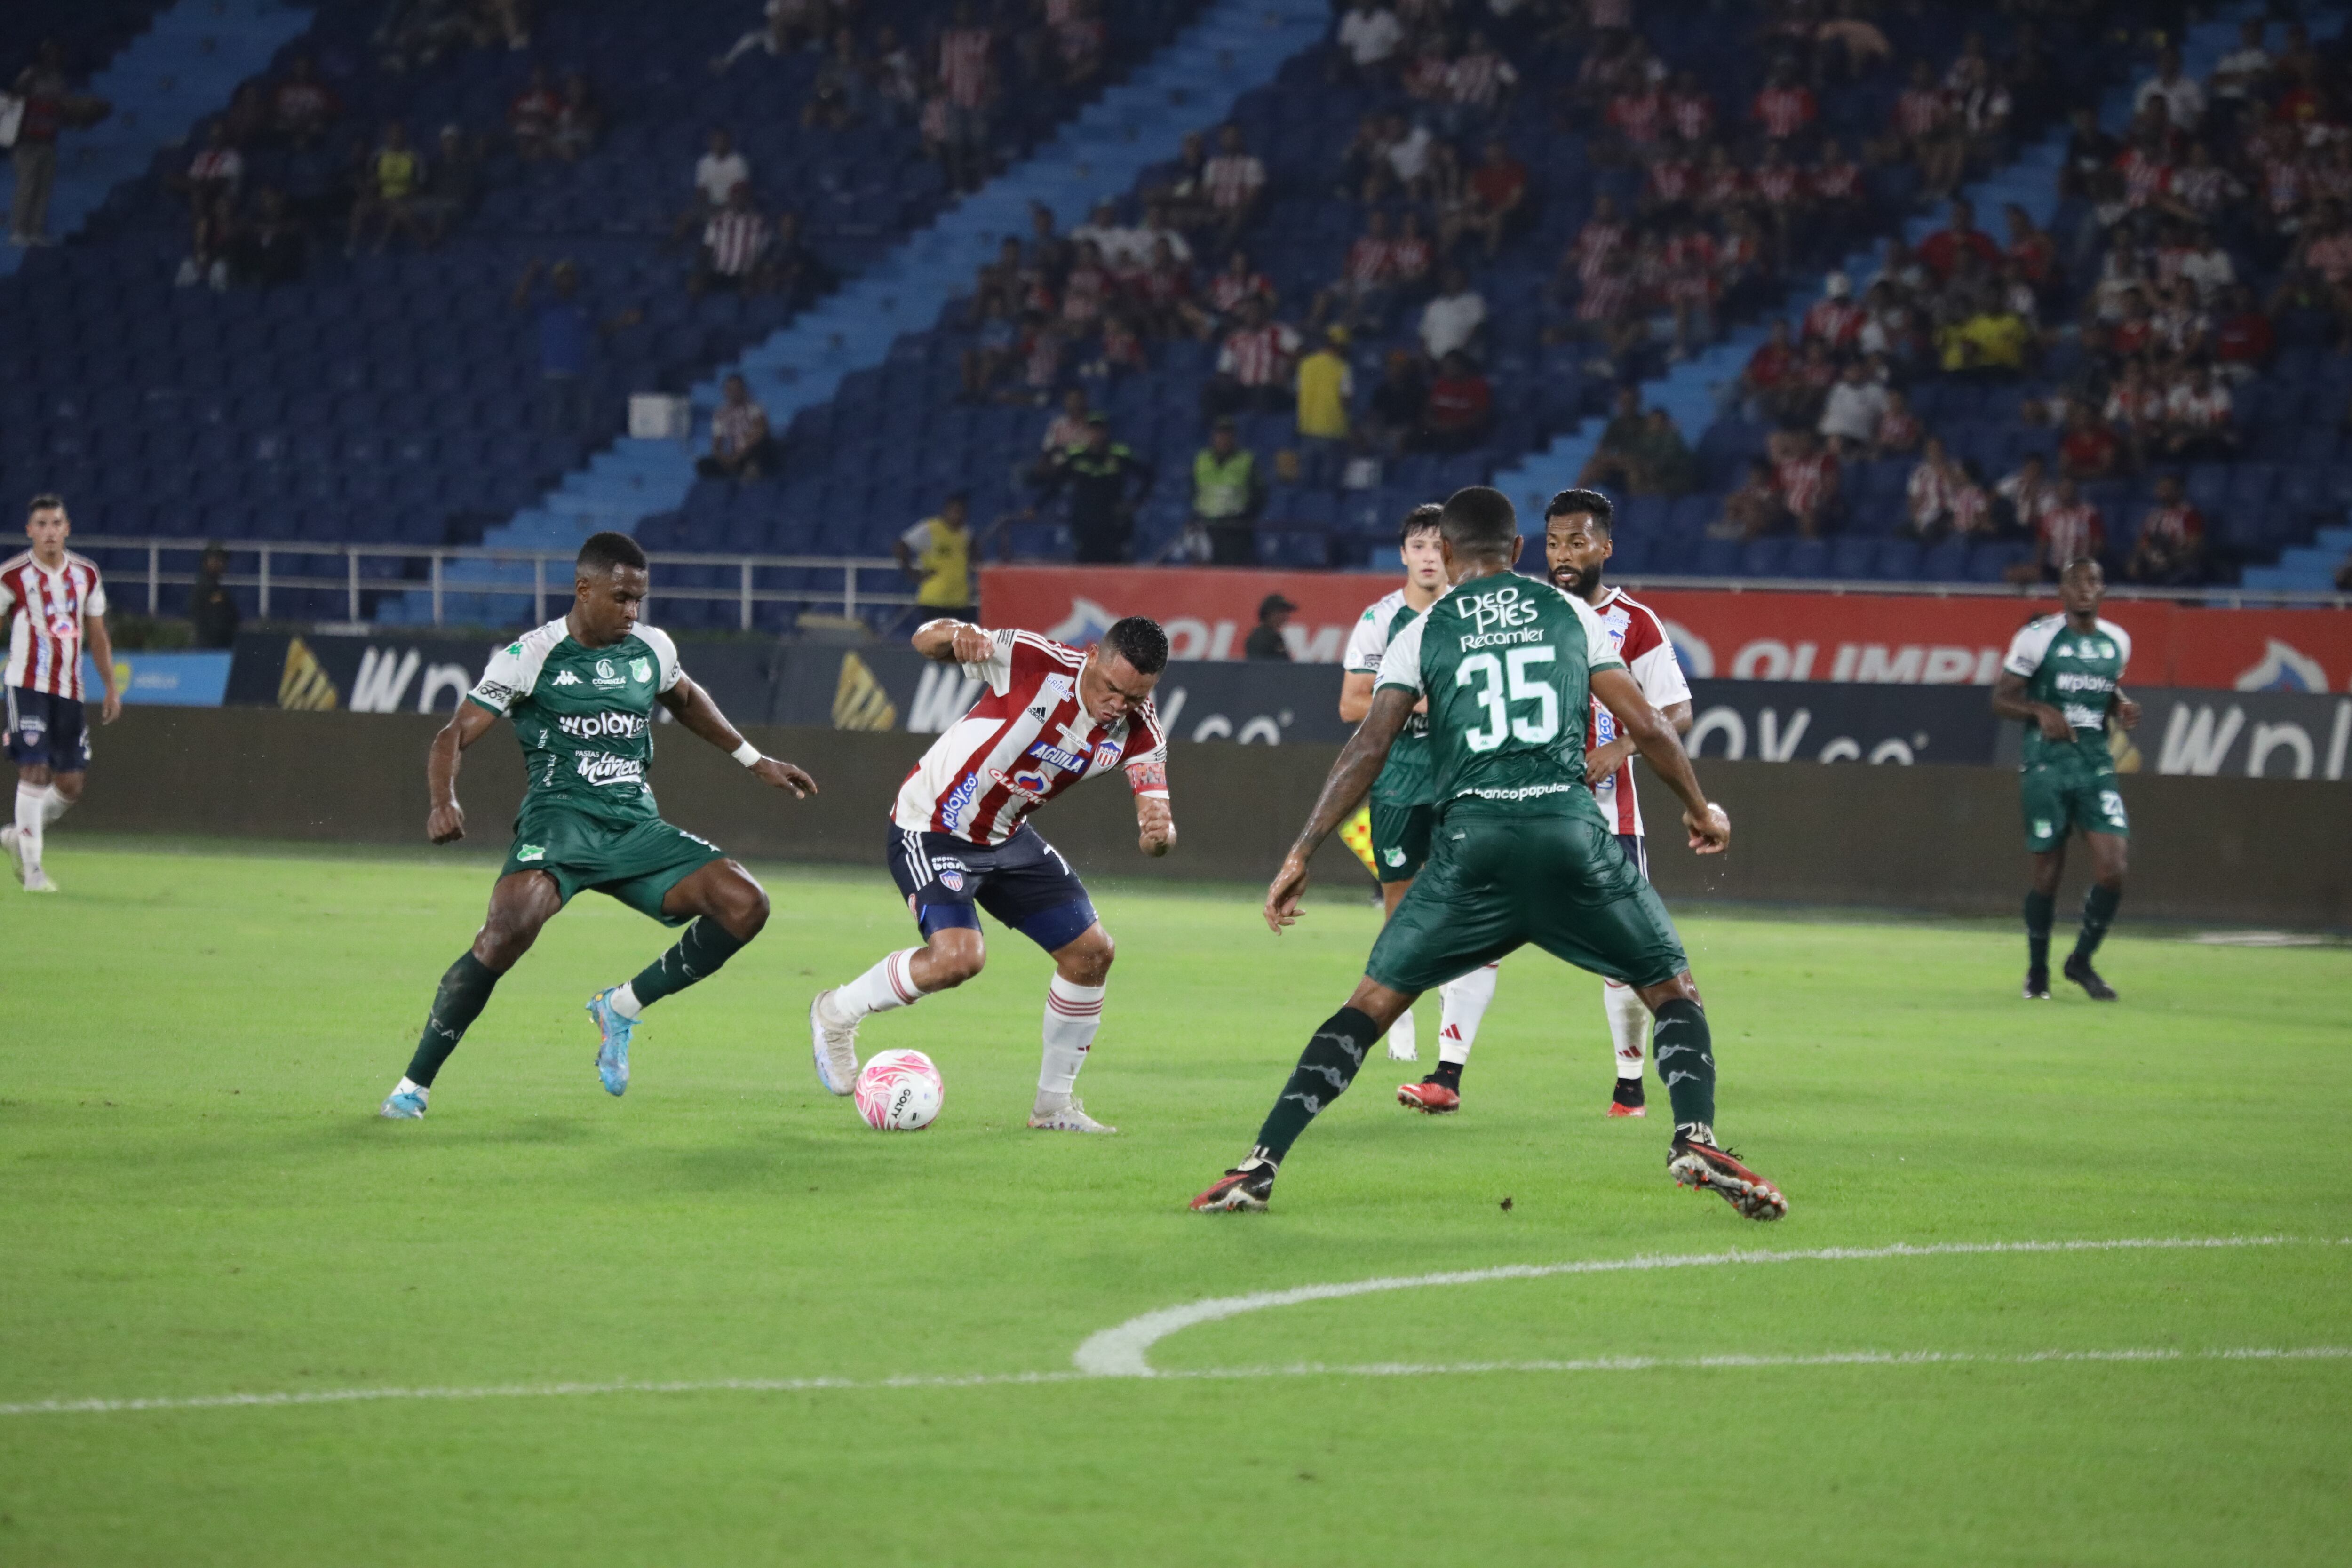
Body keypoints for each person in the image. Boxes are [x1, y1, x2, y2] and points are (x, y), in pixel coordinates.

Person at [1190, 486, 1784, 1219]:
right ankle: (1693, 1134)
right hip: (1570, 836)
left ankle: (1260, 1162)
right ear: (1519, 552)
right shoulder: (1570, 613)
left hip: (1471, 851)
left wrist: (1301, 850)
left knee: (1370, 1005)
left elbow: (1367, 746)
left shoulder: (1423, 629)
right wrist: (1700, 809)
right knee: (1672, 991)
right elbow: (1652, 726)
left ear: (1443, 553)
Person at [376, 533, 819, 1119]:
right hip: (560, 824)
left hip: (636, 826)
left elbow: (685, 699)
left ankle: (621, 1008)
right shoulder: (529, 656)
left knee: (745, 903)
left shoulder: (651, 648)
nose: (632, 611)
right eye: (621, 598)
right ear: (583, 589)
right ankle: (414, 1086)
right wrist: (442, 800)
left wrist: (754, 760)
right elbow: (453, 733)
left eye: (639, 599)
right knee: (507, 930)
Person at [808, 615, 1175, 1133]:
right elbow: (925, 638)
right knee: (959, 959)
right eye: (1112, 689)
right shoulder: (1036, 661)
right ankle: (835, 1012)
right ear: (1092, 655)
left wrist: (1158, 834)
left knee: (1092, 954)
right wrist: (955, 639)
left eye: (1133, 699)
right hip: (930, 824)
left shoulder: (1140, 733)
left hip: (1005, 838)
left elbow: (1155, 818)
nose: (1117, 706)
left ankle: (1052, 1108)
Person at [1536, 490, 1696, 1115]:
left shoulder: (1635, 622)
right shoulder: (1533, 613)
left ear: (1606, 546)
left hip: (1611, 815)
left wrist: (1623, 746)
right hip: (1533, 807)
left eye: (1577, 542)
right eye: (1553, 543)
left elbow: (1679, 711)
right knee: (1479, 934)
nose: (1563, 555)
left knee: (1627, 955)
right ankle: (1446, 1071)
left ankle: (1630, 1083)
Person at [1341, 506, 1501, 1083]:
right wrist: (1415, 700)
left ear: (1453, 552)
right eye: (1418, 546)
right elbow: (1351, 704)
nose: (1429, 556)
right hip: (1399, 777)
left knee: (1464, 895)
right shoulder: (1380, 619)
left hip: (1462, 775)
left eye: (1439, 545)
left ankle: (1451, 1010)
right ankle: (1398, 1011)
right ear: (1403, 554)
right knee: (1401, 901)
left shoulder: (1474, 615)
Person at [1990, 559, 2138, 1003]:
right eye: (2077, 581)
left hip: (2094, 762)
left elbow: (2103, 690)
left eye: (2094, 580)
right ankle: (2037, 971)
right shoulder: (2037, 638)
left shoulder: (2117, 642)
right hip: (2046, 765)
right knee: (2048, 873)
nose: (2085, 588)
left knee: (2113, 868)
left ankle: (2081, 961)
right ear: (2062, 590)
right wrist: (2039, 711)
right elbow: (2000, 698)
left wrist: (2122, 706)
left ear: (2103, 589)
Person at [2, 495, 120, 893]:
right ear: (30, 530)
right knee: (34, 769)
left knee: (71, 785)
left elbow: (98, 635)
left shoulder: (86, 573)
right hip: (27, 685)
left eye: (56, 524)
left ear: (66, 529)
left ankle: (20, 835)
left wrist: (111, 686)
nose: (49, 532)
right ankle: (33, 870)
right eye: (42, 524)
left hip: (70, 690)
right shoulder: (13, 575)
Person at [1033, 413, 1154, 563]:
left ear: (1106, 431)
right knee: (1086, 569)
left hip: (1113, 525)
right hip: (1085, 524)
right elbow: (1056, 485)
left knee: (1115, 569)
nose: (1096, 435)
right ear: (1086, 433)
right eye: (1092, 430)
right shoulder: (1076, 456)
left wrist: (1136, 502)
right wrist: (1036, 507)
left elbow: (1148, 476)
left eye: (1100, 430)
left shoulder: (1120, 454)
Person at [1189, 417, 1261, 565]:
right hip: (1207, 527)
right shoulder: (1202, 460)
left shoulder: (1245, 461)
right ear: (1213, 436)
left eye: (1228, 435)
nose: (1223, 439)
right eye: (1220, 434)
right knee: (1204, 574)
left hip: (1234, 529)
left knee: (1232, 572)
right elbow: (1193, 489)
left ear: (1234, 437)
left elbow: (1260, 494)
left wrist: (1245, 518)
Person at [896, 491, 975, 624]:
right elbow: (901, 546)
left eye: (962, 512)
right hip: (934, 600)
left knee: (958, 643)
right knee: (934, 643)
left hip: (960, 600)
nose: (959, 516)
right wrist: (911, 572)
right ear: (946, 511)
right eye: (955, 511)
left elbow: (974, 557)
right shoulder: (930, 528)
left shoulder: (966, 533)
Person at [696, 374, 773, 480]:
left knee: (763, 448)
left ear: (743, 390)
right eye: (730, 389)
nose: (734, 393)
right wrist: (723, 458)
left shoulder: (755, 408)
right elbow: (717, 443)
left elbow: (759, 434)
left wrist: (740, 455)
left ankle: (752, 474)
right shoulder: (721, 414)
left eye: (737, 389)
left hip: (751, 452)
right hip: (734, 456)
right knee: (703, 464)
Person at [190, 543, 239, 648]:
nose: (221, 564)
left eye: (223, 560)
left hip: (220, 645)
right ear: (206, 562)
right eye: (216, 560)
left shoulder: (218, 589)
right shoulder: (204, 588)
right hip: (209, 647)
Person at [1243, 593, 1294, 661]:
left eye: (1287, 613)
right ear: (1269, 614)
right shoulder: (1265, 637)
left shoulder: (1268, 635)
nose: (1286, 616)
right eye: (1282, 612)